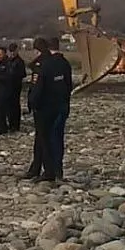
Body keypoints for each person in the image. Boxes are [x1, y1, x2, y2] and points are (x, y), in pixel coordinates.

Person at [27, 35, 71, 181]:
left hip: (45, 107)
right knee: (57, 139)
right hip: (61, 106)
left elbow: (38, 88)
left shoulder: (45, 65)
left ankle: (48, 171)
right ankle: (56, 170)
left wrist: (32, 103)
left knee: (44, 139)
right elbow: (68, 86)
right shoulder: (65, 63)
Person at [23, 46, 47, 179]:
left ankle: (38, 168)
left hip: (42, 107)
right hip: (53, 106)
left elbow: (37, 87)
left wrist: (32, 102)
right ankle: (49, 169)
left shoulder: (41, 65)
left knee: (41, 139)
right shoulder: (59, 63)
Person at [6, 43, 27, 132]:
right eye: (10, 52)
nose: (12, 53)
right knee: (8, 106)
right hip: (7, 86)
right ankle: (10, 123)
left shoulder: (19, 61)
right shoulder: (8, 60)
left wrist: (14, 75)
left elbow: (23, 74)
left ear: (16, 51)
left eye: (13, 51)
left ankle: (15, 125)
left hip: (16, 86)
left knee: (15, 106)